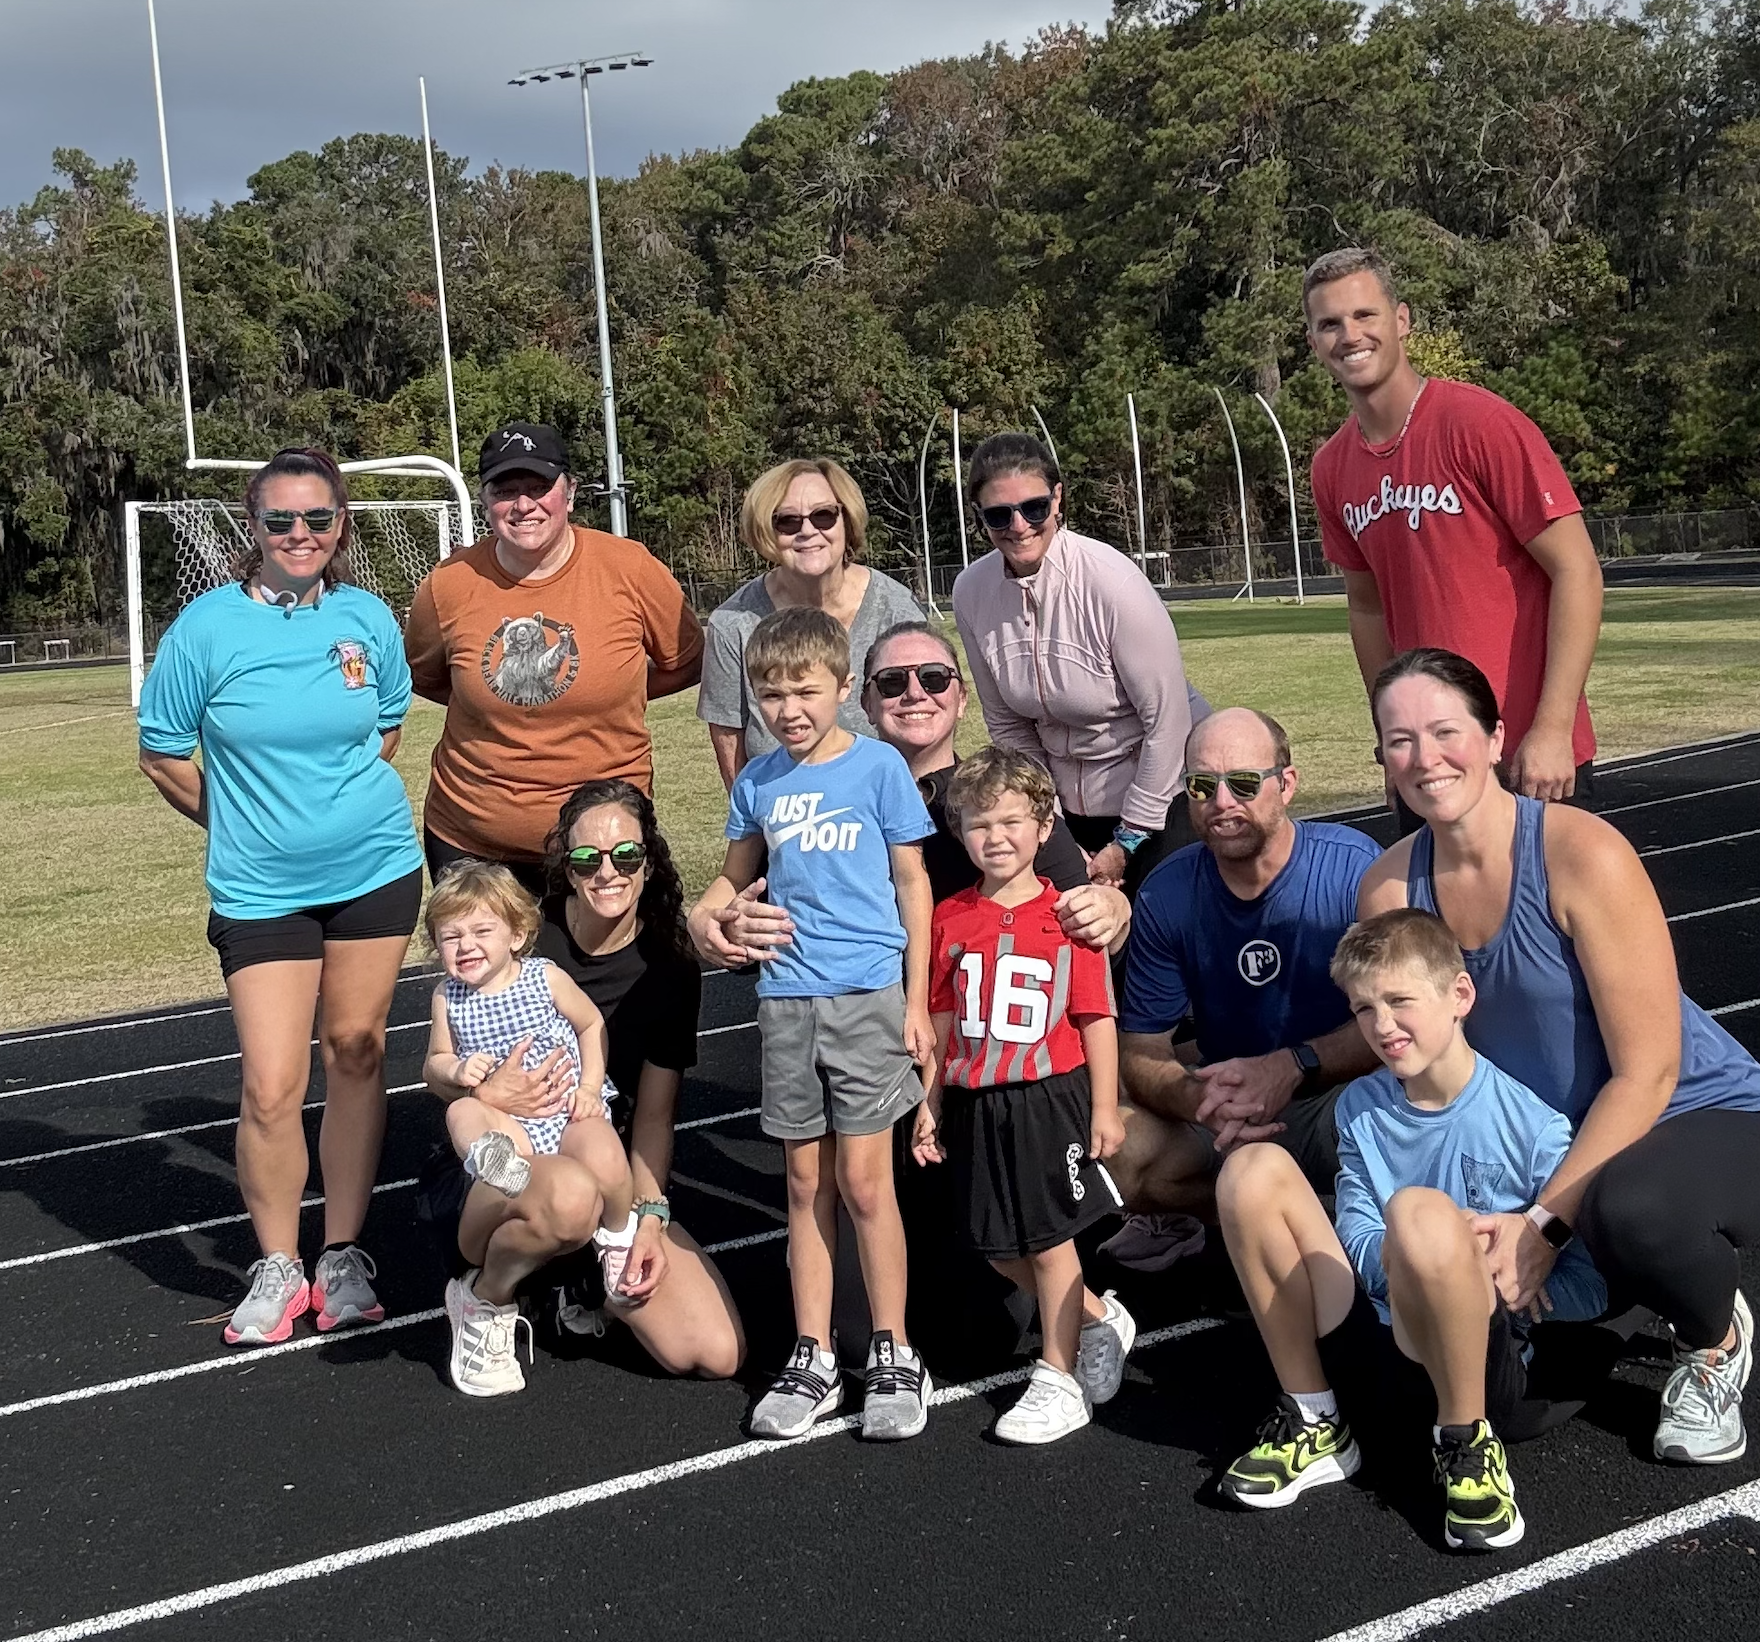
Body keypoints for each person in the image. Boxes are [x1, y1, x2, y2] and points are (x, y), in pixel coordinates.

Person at [1359, 647, 1760, 1465]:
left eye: (1445, 731)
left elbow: (1649, 1071)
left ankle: (1715, 1339)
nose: (1425, 758)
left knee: (1634, 1209)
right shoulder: (1390, 888)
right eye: (1399, 741)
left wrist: (1541, 1223)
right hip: (1555, 1140)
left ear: (1494, 733)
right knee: (1519, 1405)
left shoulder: (1582, 855)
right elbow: (1410, 1050)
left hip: (1694, 1113)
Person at [138, 447, 422, 1345]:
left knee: (357, 1051)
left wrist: (329, 808)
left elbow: (386, 725)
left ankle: (340, 1252)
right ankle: (277, 1262)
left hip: (376, 870)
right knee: (271, 1083)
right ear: (252, 527)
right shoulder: (206, 628)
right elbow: (162, 751)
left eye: (318, 519)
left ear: (341, 526)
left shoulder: (367, 617)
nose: (300, 535)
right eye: (280, 520)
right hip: (260, 891)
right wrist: (243, 826)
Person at [1215, 909, 1608, 1553]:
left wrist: (1507, 1270)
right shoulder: (1362, 1108)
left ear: (1459, 996)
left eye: (1400, 1001)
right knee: (1250, 1169)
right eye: (1365, 1009)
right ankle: (1315, 1417)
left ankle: (1467, 1444)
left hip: (1478, 1363)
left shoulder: (1533, 1127)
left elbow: (1587, 1278)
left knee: (1421, 1212)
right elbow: (1358, 1235)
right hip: (1378, 1339)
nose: (1383, 1026)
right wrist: (1412, 1259)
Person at [688, 607, 936, 1441]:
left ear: (841, 688)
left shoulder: (877, 769)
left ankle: (896, 1350)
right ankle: (814, 1352)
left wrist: (914, 998)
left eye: (804, 690)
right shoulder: (758, 781)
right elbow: (731, 884)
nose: (789, 708)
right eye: (770, 694)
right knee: (803, 1185)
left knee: (868, 1185)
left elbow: (913, 886)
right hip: (786, 1002)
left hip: (866, 997)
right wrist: (709, 918)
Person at [417, 783, 744, 1394]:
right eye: (587, 859)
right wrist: (487, 1094)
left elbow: (652, 1117)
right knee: (567, 1194)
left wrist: (649, 1217)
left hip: (598, 1157)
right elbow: (441, 1072)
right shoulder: (519, 932)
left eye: (625, 855)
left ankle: (582, 1277)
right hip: (498, 1166)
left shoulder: (670, 965)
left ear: (650, 862)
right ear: (565, 867)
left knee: (714, 1352)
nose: (607, 873)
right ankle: (486, 1294)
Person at [1304, 248, 1605, 828]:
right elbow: (1367, 611)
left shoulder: (1480, 425)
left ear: (1402, 321)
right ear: (1314, 342)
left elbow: (1577, 571)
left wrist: (1552, 726)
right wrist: (1390, 741)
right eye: (1330, 324)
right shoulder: (1332, 467)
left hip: (1522, 756)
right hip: (1429, 764)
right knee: (1438, 920)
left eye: (1365, 315)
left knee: (1559, 918)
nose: (1350, 335)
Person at [912, 748, 1133, 1444]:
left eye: (1012, 821)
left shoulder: (1067, 916)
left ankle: (1058, 1375)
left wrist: (1102, 1107)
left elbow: (1097, 1017)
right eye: (979, 824)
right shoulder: (949, 916)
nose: (996, 836)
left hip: (1048, 1095)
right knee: (994, 1245)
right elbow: (943, 1023)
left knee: (1050, 1239)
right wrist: (930, 1103)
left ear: (1044, 829)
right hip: (978, 1100)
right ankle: (1097, 1317)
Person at [1112, 709, 1383, 1236]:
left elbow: (1401, 1022)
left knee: (1413, 1109)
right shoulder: (1166, 894)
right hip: (1227, 1105)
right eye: (1201, 786)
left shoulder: (1355, 870)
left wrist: (1294, 1065)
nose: (1221, 803)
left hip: (1336, 1095)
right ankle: (1256, 1232)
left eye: (1241, 782)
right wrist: (1200, 1100)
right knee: (1119, 1150)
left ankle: (1341, 1234)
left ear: (1287, 785)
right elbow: (1143, 1050)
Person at [404, 422, 703, 895]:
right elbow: (424, 677)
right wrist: (508, 698)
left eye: (539, 488)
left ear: (570, 492)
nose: (524, 505)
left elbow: (686, 660)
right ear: (484, 500)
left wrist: (618, 688)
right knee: (488, 969)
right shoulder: (448, 584)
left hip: (603, 840)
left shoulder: (629, 567)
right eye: (506, 490)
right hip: (473, 841)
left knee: (625, 968)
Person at [952, 432, 1196, 894]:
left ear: (1058, 498)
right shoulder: (971, 591)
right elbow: (1008, 726)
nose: (1019, 526)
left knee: (1152, 936)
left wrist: (1128, 837)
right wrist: (1054, 826)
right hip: (1059, 806)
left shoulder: (1112, 581)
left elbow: (1168, 722)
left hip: (1159, 797)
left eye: (1035, 507)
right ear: (979, 517)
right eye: (999, 515)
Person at [420, 861, 639, 1320]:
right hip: (508, 1126)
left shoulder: (544, 976)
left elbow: (590, 1022)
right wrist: (459, 1069)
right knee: (460, 1114)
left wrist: (591, 1086)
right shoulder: (447, 996)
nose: (466, 946)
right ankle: (493, 1159)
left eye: (481, 931)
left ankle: (618, 1236)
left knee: (604, 1150)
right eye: (451, 937)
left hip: (566, 1111)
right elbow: (435, 1061)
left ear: (516, 935)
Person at [698, 458, 923, 791]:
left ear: (846, 520)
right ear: (766, 531)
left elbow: (928, 723)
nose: (808, 531)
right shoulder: (733, 625)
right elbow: (730, 745)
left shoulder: (895, 609)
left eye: (823, 515)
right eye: (787, 521)